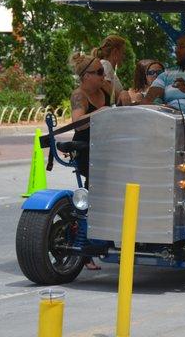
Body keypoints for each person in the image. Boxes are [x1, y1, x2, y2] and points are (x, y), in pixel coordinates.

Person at [69, 52, 111, 271]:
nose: (103, 75)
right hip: (87, 148)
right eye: (99, 72)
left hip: (109, 146)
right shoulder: (80, 95)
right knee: (95, 189)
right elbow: (77, 123)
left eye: (103, 71)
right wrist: (101, 113)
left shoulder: (107, 89)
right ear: (86, 76)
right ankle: (85, 248)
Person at [92, 35, 128, 105]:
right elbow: (103, 85)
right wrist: (122, 97)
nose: (124, 57)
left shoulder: (108, 67)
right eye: (123, 53)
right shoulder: (105, 64)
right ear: (115, 52)